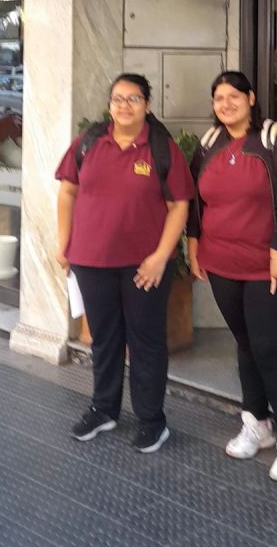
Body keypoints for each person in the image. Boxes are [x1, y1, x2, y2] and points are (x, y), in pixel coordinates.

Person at [187, 70, 277, 483]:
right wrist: (193, 247)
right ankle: (256, 422)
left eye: (234, 96)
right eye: (218, 98)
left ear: (251, 98)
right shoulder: (209, 144)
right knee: (245, 343)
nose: (225, 104)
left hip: (272, 266)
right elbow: (194, 202)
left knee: (268, 348)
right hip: (222, 263)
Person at [55, 73, 194, 453]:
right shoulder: (89, 142)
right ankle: (104, 409)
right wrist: (64, 243)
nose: (124, 106)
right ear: (109, 105)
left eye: (133, 99)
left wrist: (160, 257)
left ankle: (152, 421)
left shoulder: (161, 148)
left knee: (146, 342)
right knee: (104, 339)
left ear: (147, 105)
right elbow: (67, 192)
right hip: (91, 261)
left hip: (143, 267)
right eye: (118, 99)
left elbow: (179, 206)